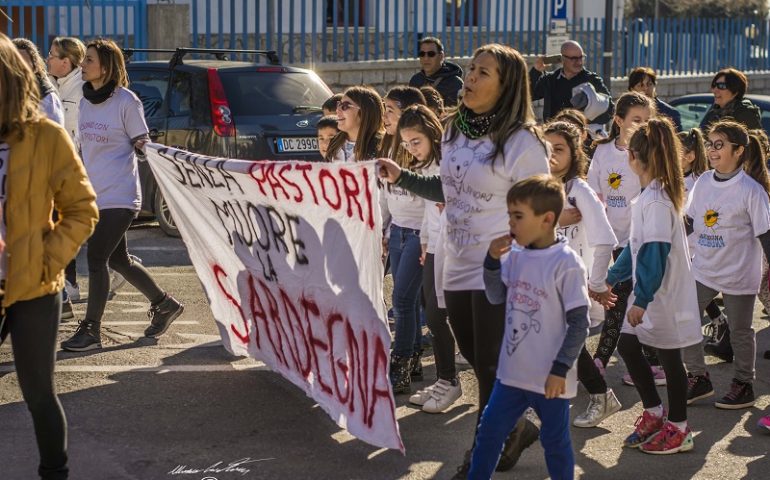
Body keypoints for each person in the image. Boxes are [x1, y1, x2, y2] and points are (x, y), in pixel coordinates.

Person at [379, 44, 548, 477]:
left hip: (501, 266)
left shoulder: (521, 140)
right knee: (477, 358)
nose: (469, 78)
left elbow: (540, 211)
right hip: (455, 259)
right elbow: (449, 190)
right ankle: (515, 427)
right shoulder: (454, 130)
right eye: (470, 69)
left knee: (491, 365)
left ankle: (479, 459)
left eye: (483, 72)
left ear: (506, 84)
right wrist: (403, 178)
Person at [0, 32, 99, 479]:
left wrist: (46, 258)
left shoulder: (45, 137)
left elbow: (82, 210)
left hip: (34, 286)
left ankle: (54, 471)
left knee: (38, 393)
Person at [60, 38, 184, 352]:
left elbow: (141, 141)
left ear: (106, 66)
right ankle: (164, 303)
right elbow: (83, 148)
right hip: (93, 196)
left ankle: (91, 330)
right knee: (119, 260)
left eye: (89, 60)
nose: (83, 65)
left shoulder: (126, 101)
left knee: (97, 258)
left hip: (121, 196)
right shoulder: (85, 101)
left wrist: (149, 148)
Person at [592, 117, 702, 454]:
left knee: (670, 361)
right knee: (627, 346)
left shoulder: (655, 201)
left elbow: (654, 256)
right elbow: (634, 248)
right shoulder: (649, 196)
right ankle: (654, 412)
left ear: (634, 158)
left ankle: (680, 428)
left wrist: (641, 298)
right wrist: (610, 278)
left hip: (662, 298)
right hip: (651, 295)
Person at [469, 174, 589, 480]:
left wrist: (560, 369)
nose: (511, 223)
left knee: (555, 442)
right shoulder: (516, 255)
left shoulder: (567, 263)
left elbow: (579, 323)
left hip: (549, 378)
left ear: (547, 219)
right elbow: (496, 295)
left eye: (518, 216)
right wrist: (492, 262)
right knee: (489, 433)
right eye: (510, 215)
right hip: (511, 375)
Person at [682, 120, 770, 409]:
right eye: (710, 144)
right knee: (685, 318)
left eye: (719, 144)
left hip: (739, 273)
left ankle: (744, 384)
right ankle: (698, 377)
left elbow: (765, 234)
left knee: (741, 331)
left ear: (739, 150)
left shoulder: (752, 191)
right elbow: (691, 220)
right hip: (704, 268)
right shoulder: (705, 180)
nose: (712, 150)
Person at [544, 121, 621, 428]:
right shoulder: (540, 186)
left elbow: (606, 238)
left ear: (574, 153)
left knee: (564, 338)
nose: (551, 155)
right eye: (546, 149)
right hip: (546, 278)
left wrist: (597, 281)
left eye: (559, 149)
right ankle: (590, 397)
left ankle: (601, 397)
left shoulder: (580, 190)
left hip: (573, 281)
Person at [587, 92, 661, 382]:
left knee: (619, 302)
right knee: (622, 302)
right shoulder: (603, 151)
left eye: (647, 120)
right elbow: (596, 196)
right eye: (636, 120)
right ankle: (654, 361)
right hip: (613, 241)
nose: (642, 126)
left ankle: (600, 360)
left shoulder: (651, 153)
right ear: (618, 120)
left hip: (639, 242)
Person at [396, 105, 463, 413]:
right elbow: (428, 211)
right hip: (434, 248)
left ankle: (450, 381)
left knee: (441, 316)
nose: (411, 149)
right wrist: (425, 242)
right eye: (406, 144)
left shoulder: (448, 164)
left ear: (433, 135)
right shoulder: (424, 168)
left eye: (416, 142)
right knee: (434, 315)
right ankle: (445, 379)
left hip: (457, 250)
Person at [378, 86, 428, 394]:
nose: (385, 116)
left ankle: (402, 363)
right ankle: (413, 358)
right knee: (405, 300)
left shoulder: (424, 150)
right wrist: (385, 230)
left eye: (390, 110)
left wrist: (425, 237)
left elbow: (433, 196)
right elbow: (384, 194)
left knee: (402, 300)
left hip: (419, 232)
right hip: (396, 230)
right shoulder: (389, 146)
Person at [46, 36, 87, 305]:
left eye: (52, 55)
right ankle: (68, 283)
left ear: (66, 62)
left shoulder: (81, 91)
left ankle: (70, 283)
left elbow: (79, 135)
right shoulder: (56, 88)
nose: (47, 59)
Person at [530, 40, 614, 125]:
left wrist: (587, 121)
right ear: (562, 59)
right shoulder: (550, 80)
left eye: (581, 57)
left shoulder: (592, 80)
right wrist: (536, 71)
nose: (579, 62)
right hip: (553, 134)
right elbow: (529, 94)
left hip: (582, 135)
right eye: (574, 59)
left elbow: (609, 109)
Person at [12, 38, 64, 125]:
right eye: (13, 62)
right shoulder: (7, 90)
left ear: (35, 67)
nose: (18, 68)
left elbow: (53, 135)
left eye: (24, 64)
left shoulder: (47, 98)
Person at [325, 86, 384, 163]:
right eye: (339, 104)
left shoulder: (382, 147)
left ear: (364, 112)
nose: (337, 110)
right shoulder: (335, 143)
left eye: (345, 106)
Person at [700, 68, 761, 132]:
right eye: (714, 85)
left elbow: (754, 140)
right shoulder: (714, 111)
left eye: (721, 86)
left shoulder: (745, 114)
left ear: (735, 92)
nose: (715, 90)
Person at [408, 36, 463, 107]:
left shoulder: (455, 83)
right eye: (422, 54)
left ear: (441, 56)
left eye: (431, 54)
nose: (426, 58)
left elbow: (458, 114)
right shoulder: (415, 80)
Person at [628, 67, 682, 131]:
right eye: (641, 85)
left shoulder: (670, 114)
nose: (646, 88)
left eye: (649, 84)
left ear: (654, 86)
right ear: (632, 89)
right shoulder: (625, 112)